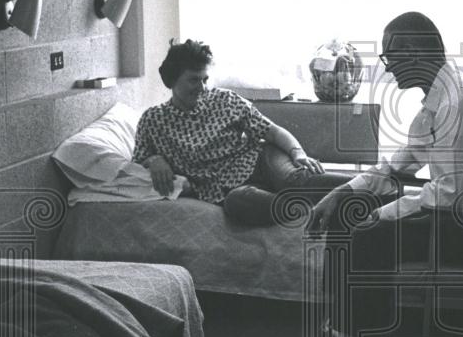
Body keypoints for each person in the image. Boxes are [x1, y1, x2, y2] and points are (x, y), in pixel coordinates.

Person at [291, 12, 463, 337]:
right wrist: (341, 194)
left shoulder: (461, 106)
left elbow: (449, 195)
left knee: (370, 234)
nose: (386, 68)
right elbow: (398, 164)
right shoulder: (441, 98)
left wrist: (379, 215)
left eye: (389, 57)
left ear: (415, 53)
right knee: (349, 211)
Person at [133, 39, 352, 225]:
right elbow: (135, 163)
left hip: (262, 161)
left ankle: (371, 184)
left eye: (205, 79)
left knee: (294, 182)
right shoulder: (153, 120)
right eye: (193, 79)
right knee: (237, 204)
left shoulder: (224, 100)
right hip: (229, 189)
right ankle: (315, 211)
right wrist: (153, 159)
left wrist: (298, 154)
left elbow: (273, 132)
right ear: (171, 79)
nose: (202, 88)